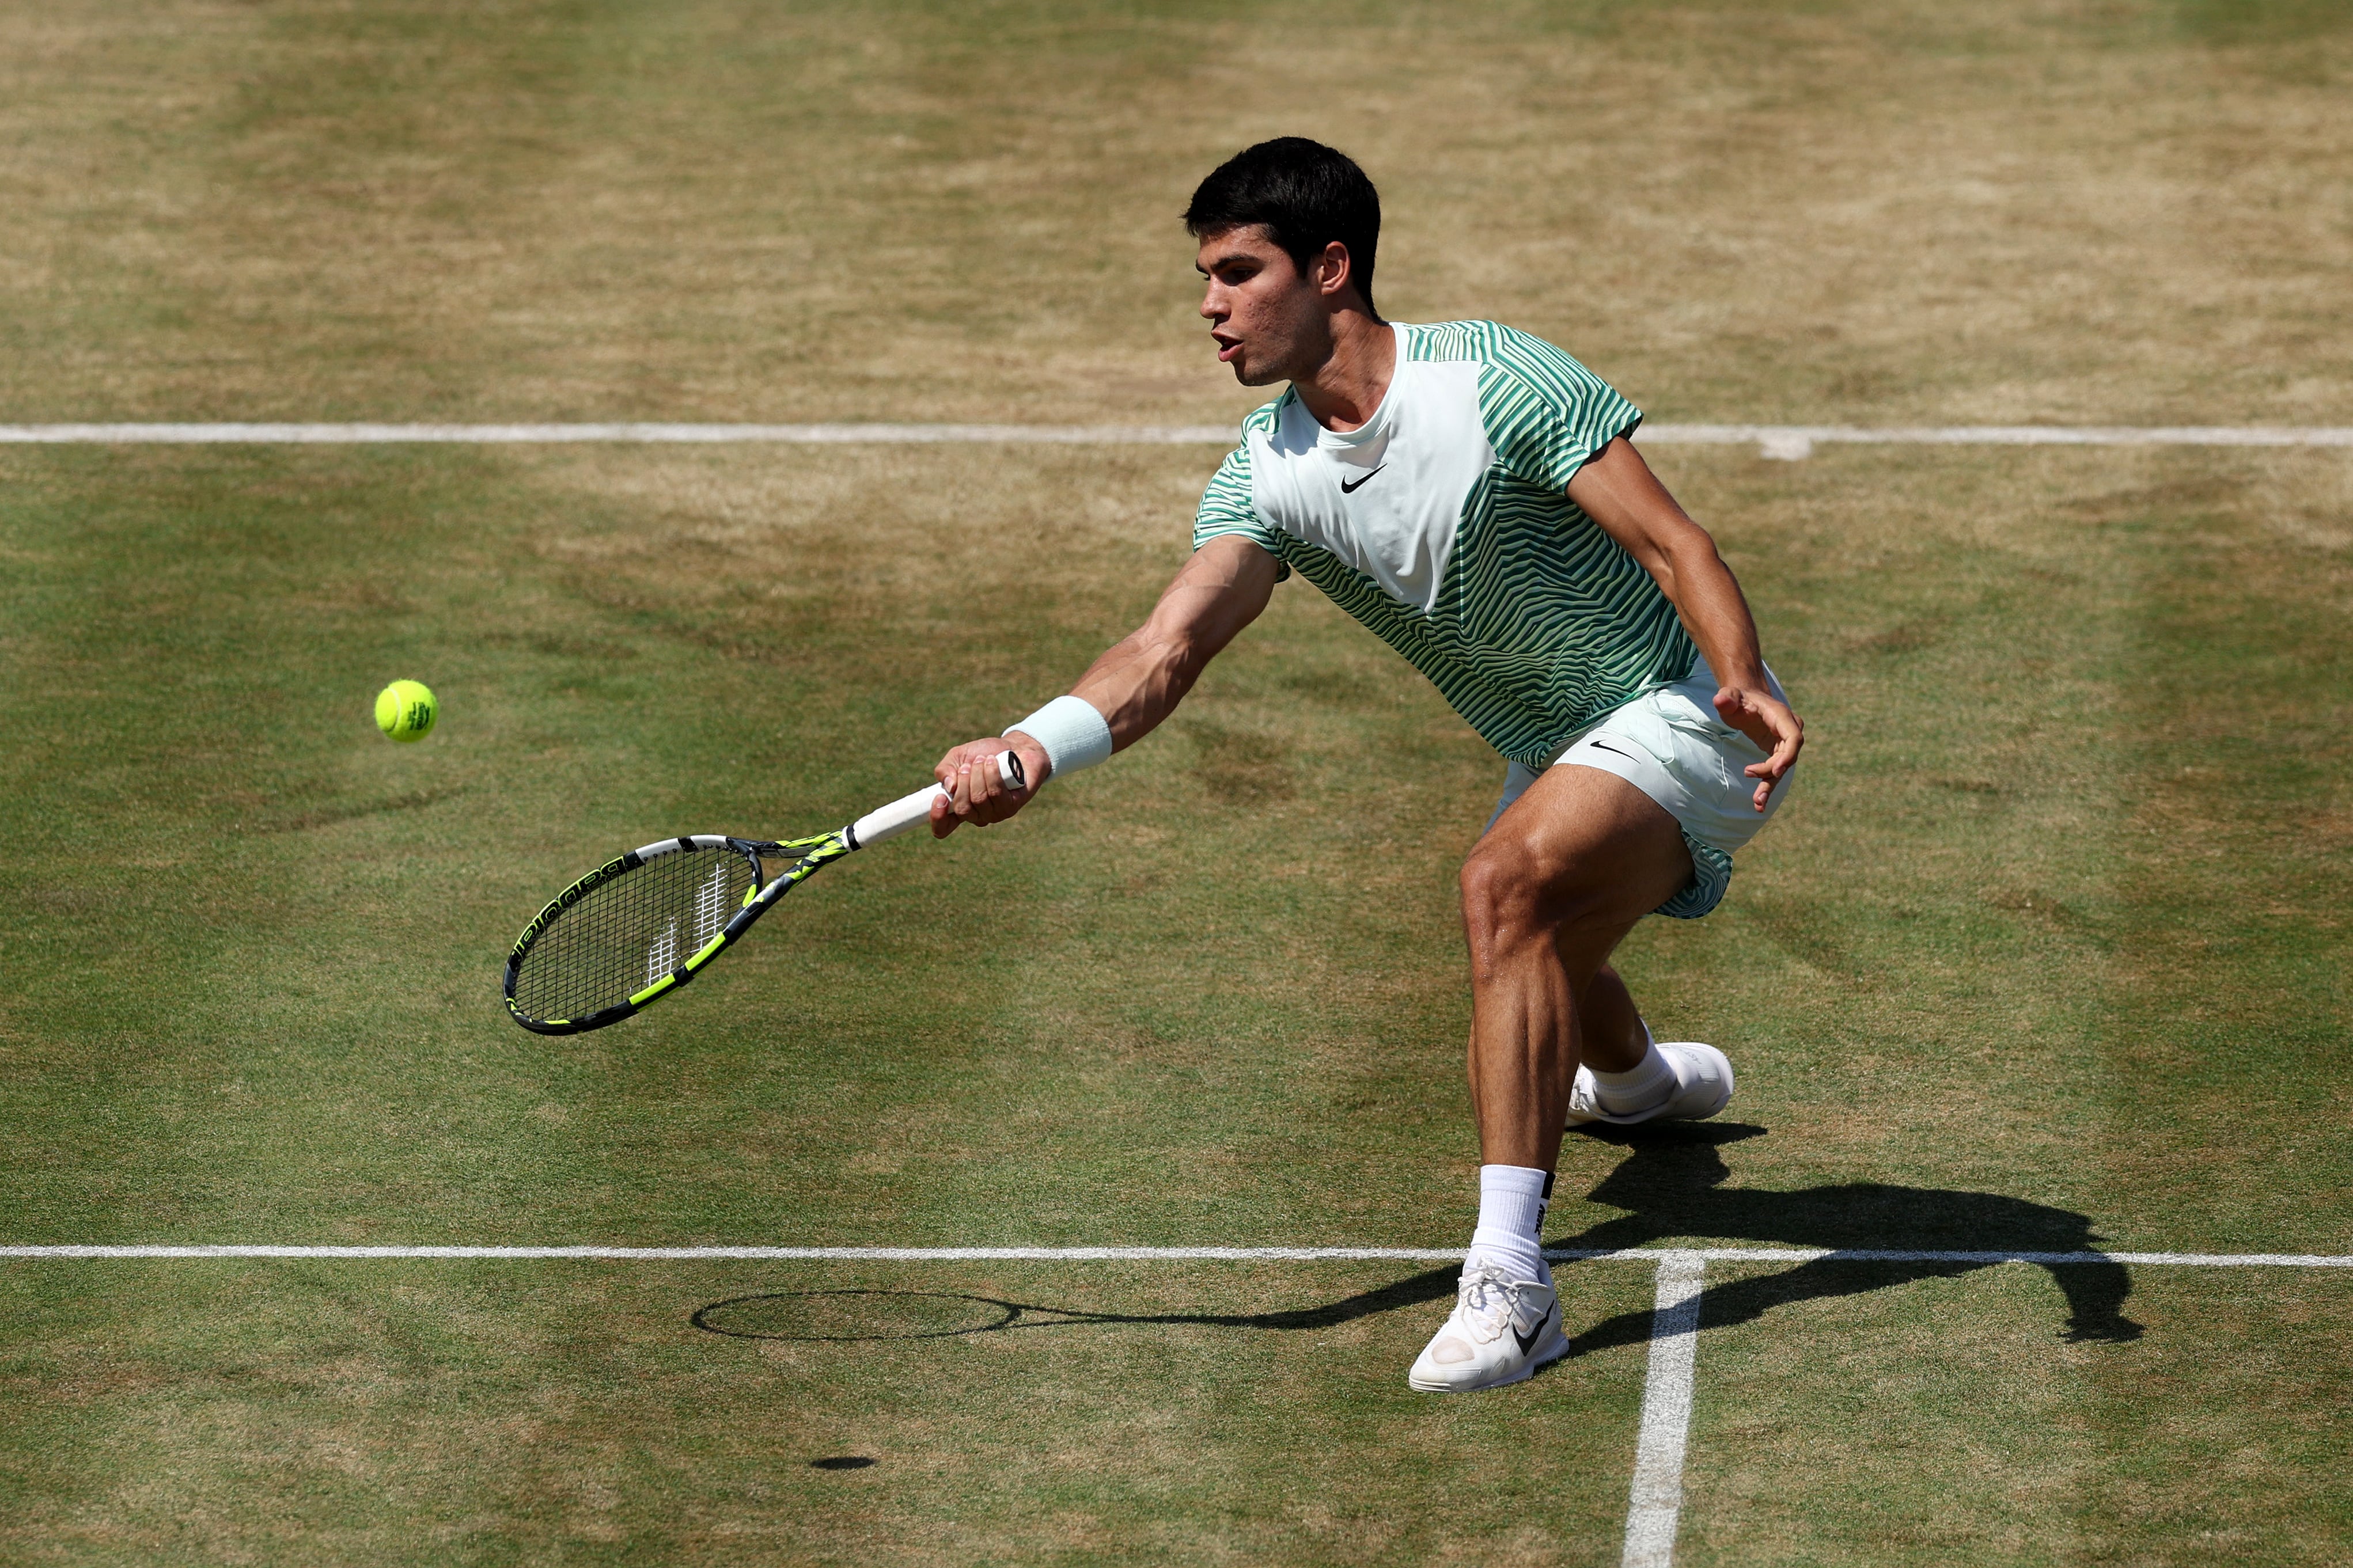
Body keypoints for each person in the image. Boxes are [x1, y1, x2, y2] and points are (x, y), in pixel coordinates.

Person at [926, 137, 1804, 1394]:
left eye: (1237, 273)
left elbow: (1676, 543)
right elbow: (1165, 649)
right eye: (1205, 279)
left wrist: (1740, 677)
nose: (1210, 308)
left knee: (1506, 888)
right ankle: (1639, 1082)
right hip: (1559, 740)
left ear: (1331, 268)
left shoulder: (1493, 375)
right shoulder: (1265, 477)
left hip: (1686, 705)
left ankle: (1513, 1289)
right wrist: (1031, 745)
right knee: (1545, 931)